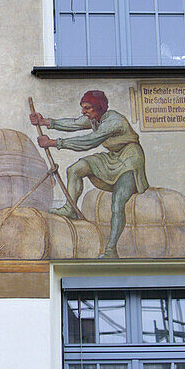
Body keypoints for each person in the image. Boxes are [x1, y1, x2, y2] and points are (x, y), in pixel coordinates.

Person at [30, 89, 148, 259]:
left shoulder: (113, 121)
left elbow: (90, 141)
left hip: (130, 159)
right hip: (113, 157)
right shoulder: (95, 118)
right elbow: (76, 123)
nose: (83, 112)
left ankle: (111, 250)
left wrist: (54, 142)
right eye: (83, 107)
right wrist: (45, 122)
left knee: (118, 203)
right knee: (75, 169)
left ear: (100, 108)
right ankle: (70, 209)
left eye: (87, 108)